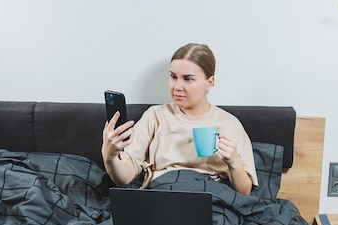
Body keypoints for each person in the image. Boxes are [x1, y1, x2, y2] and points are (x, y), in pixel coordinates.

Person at [101, 43, 258, 195]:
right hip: (163, 193)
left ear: (209, 83)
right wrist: (110, 156)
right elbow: (124, 178)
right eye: (173, 77)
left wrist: (234, 162)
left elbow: (243, 192)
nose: (177, 86)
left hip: (210, 197)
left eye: (188, 79)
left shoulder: (229, 123)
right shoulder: (155, 116)